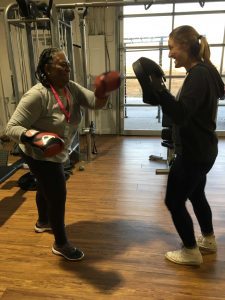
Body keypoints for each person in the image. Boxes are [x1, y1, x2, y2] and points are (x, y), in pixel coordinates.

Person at [6, 47, 120, 261]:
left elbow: (95, 103)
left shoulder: (71, 88)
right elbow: (11, 127)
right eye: (62, 64)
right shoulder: (36, 96)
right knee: (58, 194)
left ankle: (43, 222)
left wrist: (103, 91)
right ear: (47, 70)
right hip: (37, 153)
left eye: (68, 63)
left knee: (44, 185)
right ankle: (61, 243)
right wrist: (36, 138)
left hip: (58, 150)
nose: (68, 67)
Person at [134, 25, 224, 266]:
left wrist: (160, 91)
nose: (170, 53)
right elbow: (189, 110)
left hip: (193, 152)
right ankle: (208, 239)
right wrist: (160, 94)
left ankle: (190, 251)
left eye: (172, 47)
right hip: (203, 148)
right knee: (196, 194)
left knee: (173, 201)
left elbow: (181, 114)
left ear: (185, 46)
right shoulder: (207, 71)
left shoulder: (199, 74)